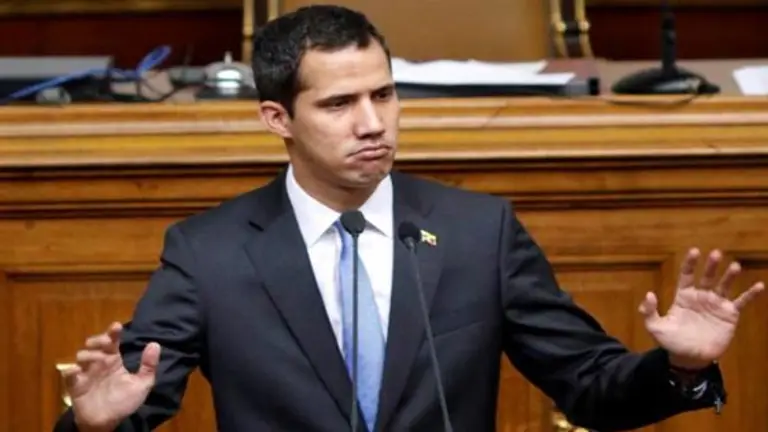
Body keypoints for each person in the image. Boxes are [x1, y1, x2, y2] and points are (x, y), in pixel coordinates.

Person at [54, 5, 763, 432]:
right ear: (278, 118)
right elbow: (129, 403)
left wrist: (681, 366)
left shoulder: (479, 233)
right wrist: (93, 424)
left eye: (385, 95)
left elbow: (591, 388)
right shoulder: (209, 253)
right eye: (339, 104)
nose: (373, 124)